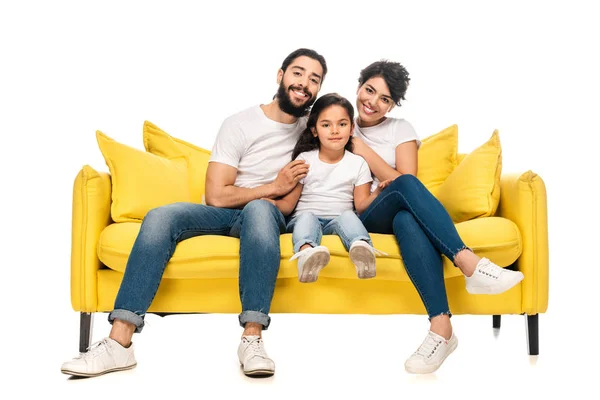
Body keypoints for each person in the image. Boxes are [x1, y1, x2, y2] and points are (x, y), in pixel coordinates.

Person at [60, 48, 328, 378]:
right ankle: (119, 343)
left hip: (267, 216)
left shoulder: (316, 132)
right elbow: (216, 196)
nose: (304, 84)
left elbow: (287, 205)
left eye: (314, 79)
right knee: (161, 216)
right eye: (298, 73)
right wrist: (272, 186)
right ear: (280, 75)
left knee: (260, 209)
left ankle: (252, 338)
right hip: (224, 213)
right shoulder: (240, 124)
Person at [350, 60, 525, 374]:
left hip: (397, 209)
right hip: (361, 215)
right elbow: (396, 181)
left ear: (392, 106)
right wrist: (384, 174)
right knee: (402, 194)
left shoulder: (399, 129)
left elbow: (407, 181)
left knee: (405, 216)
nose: (373, 102)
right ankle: (469, 263)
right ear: (359, 86)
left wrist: (362, 149)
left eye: (385, 99)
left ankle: (441, 329)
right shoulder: (337, 122)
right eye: (370, 90)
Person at [262, 93, 387, 283]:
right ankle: (306, 255)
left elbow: (361, 205)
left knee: (349, 216)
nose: (335, 130)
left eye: (342, 124)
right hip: (303, 218)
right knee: (307, 217)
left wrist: (377, 193)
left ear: (352, 128)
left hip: (337, 221)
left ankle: (361, 249)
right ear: (314, 130)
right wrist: (272, 204)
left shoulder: (358, 163)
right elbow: (289, 204)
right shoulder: (305, 160)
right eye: (326, 125)